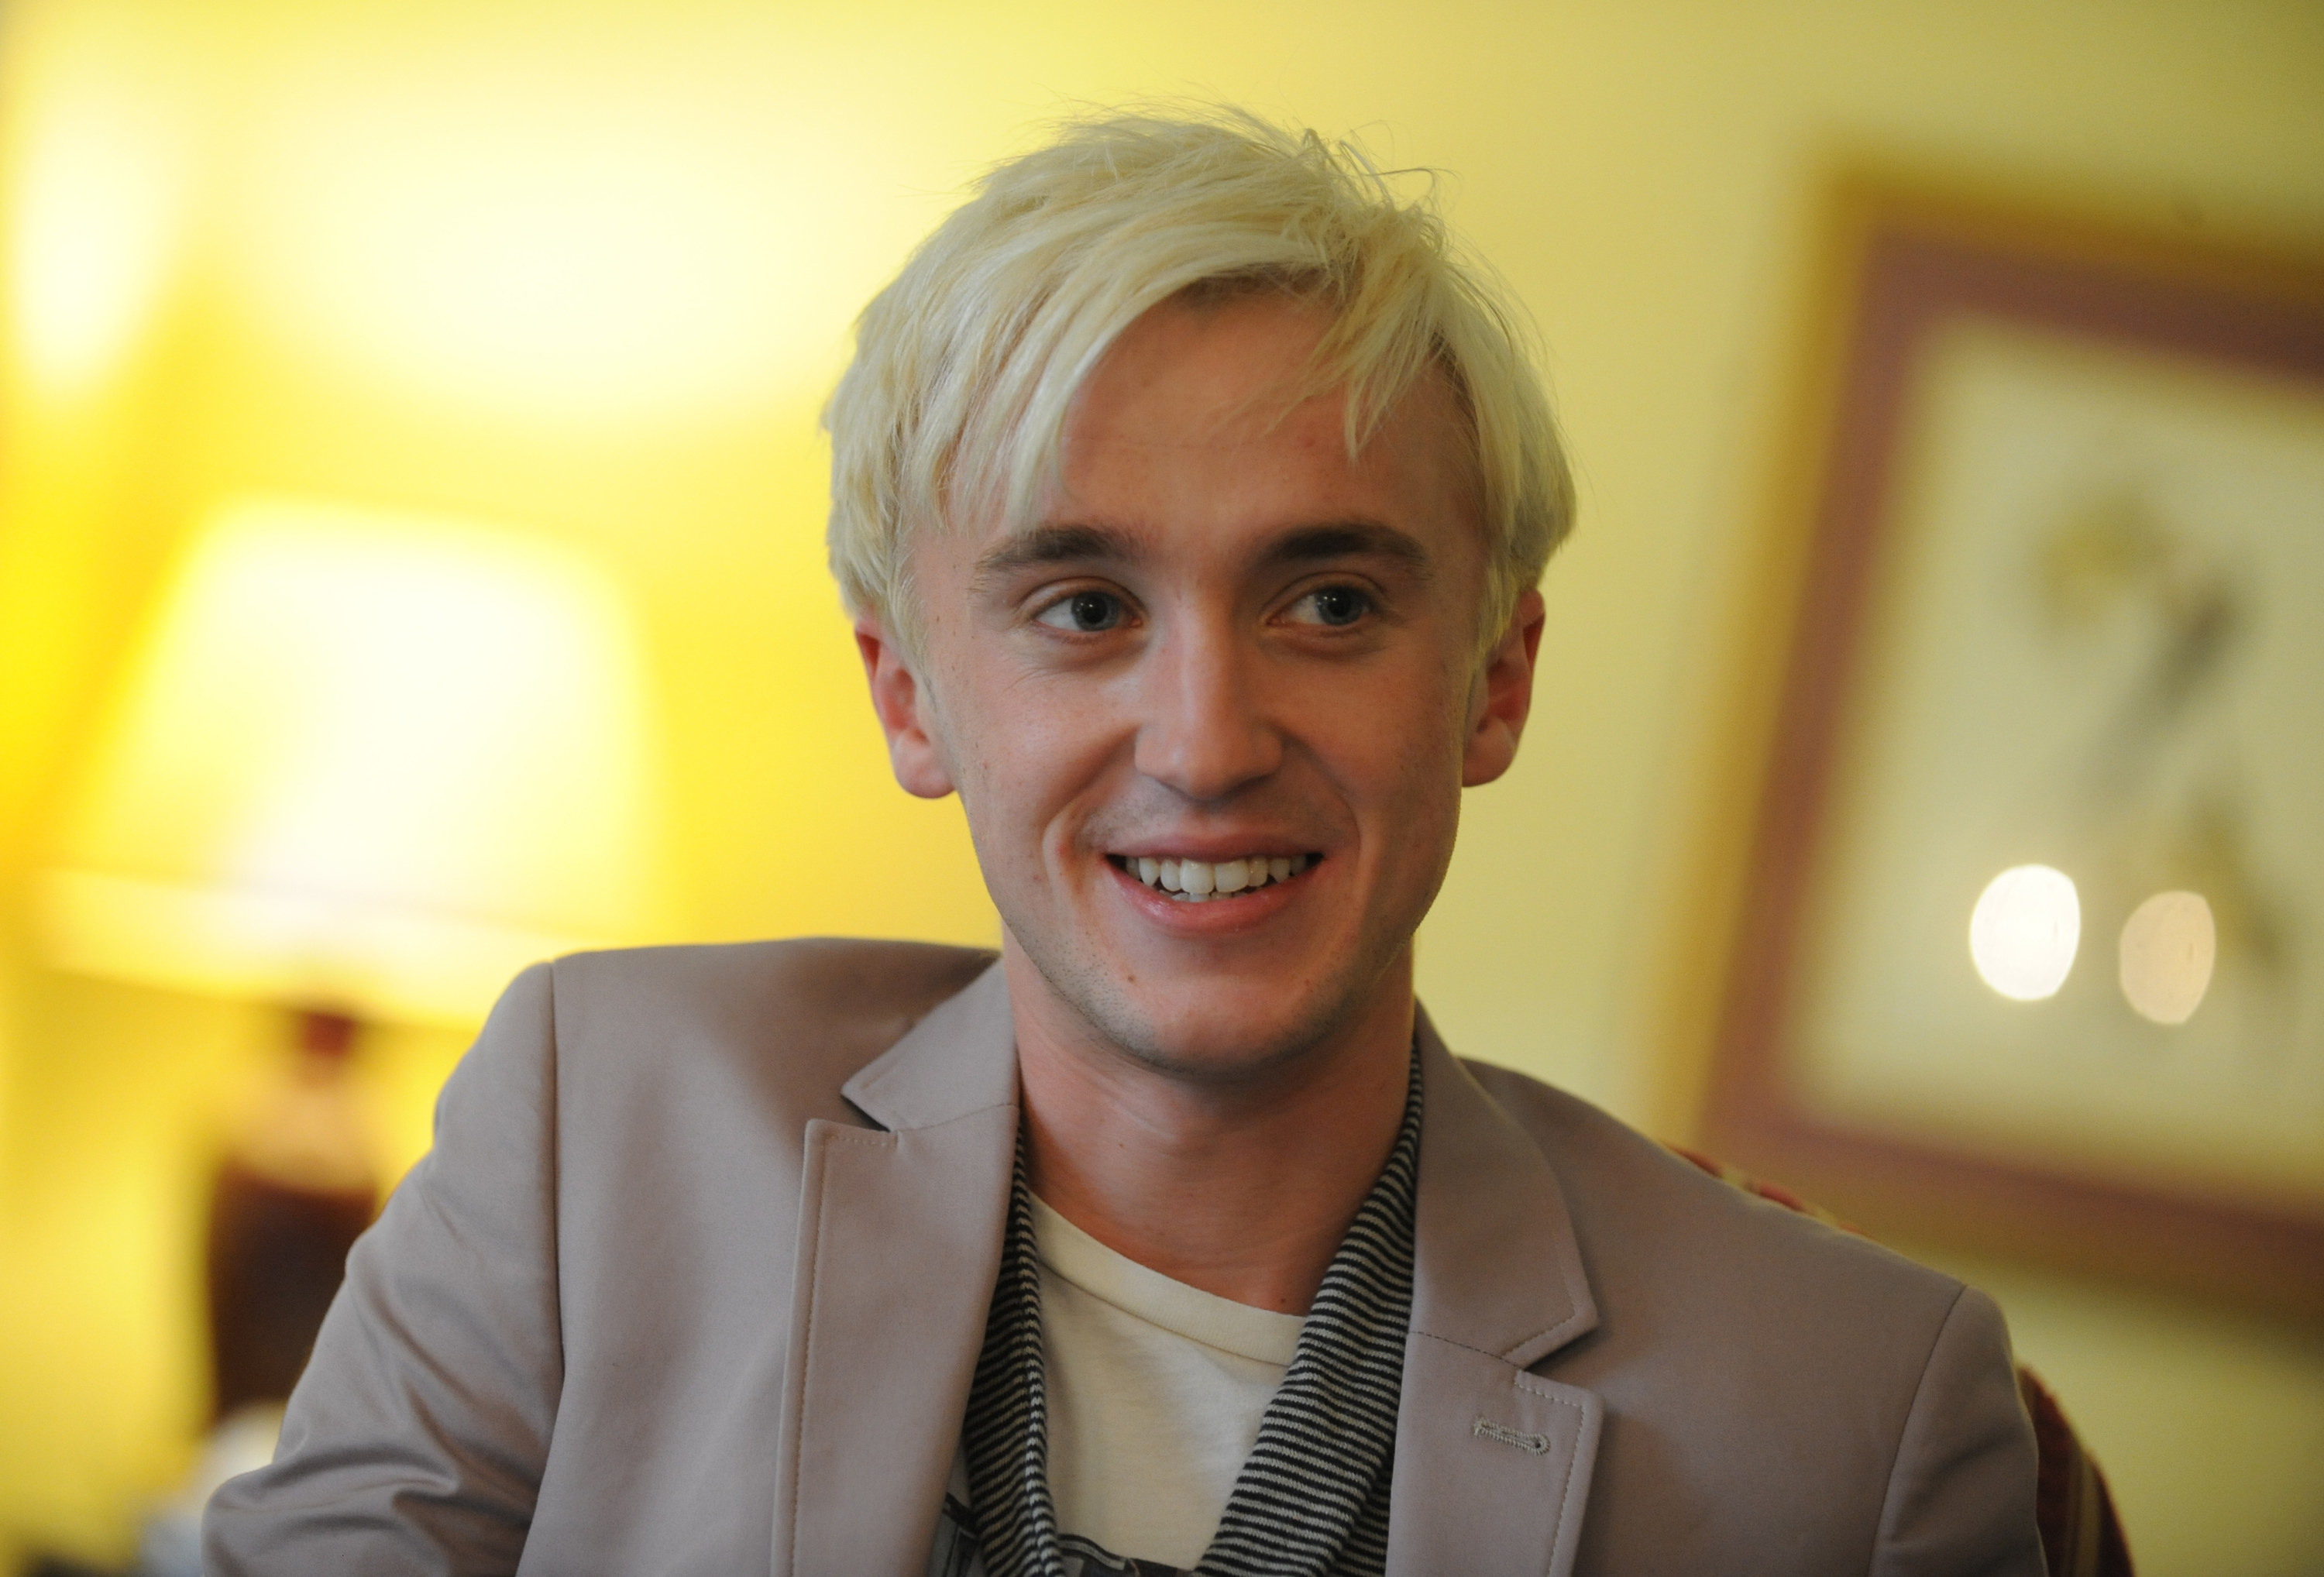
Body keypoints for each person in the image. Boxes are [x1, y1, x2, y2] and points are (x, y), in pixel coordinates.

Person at [204, 108, 2041, 1577]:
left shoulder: (1854, 1407)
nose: (1207, 741)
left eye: (1327, 600)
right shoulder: (590, 1132)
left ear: (1495, 679)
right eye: (1083, 606)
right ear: (909, 695)